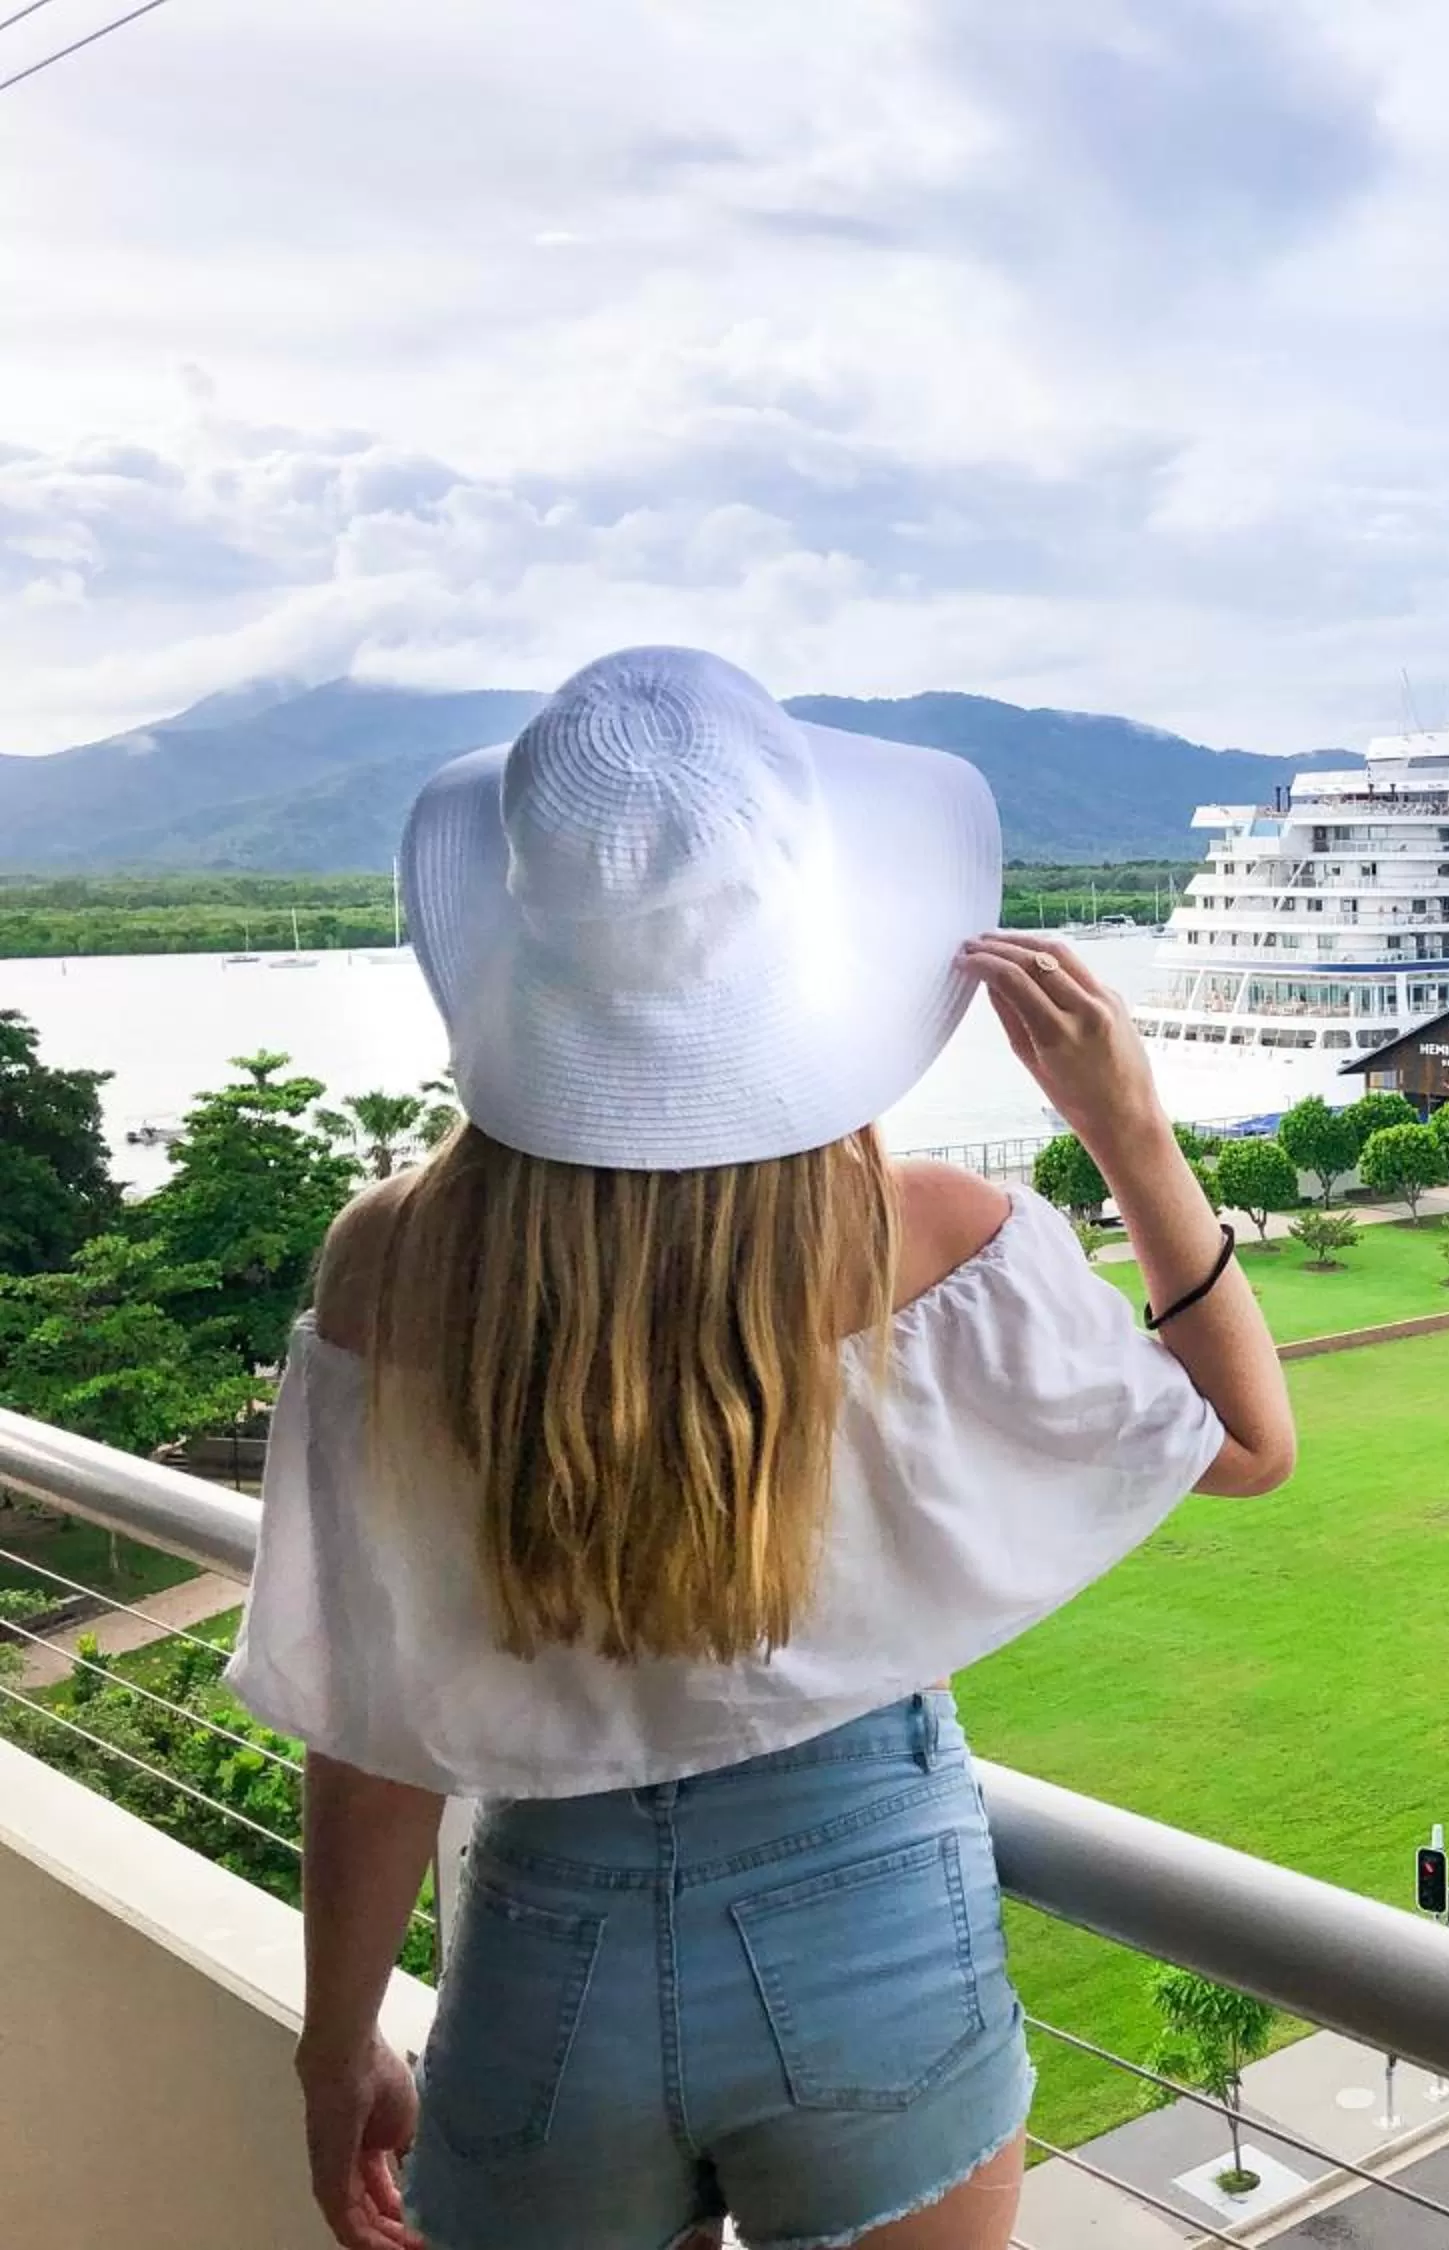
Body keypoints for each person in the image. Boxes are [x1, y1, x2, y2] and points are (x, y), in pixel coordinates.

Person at [226, 648, 1295, 2250]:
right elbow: (1247, 1444)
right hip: (875, 1931)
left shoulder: (391, 1264)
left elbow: (375, 1738)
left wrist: (332, 2050)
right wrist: (1130, 1128)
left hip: (544, 1955)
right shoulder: (932, 1234)